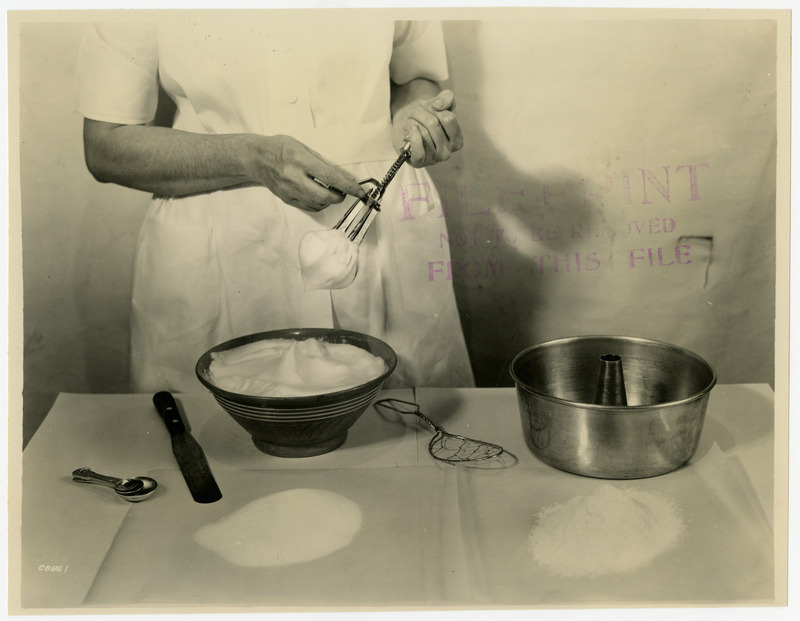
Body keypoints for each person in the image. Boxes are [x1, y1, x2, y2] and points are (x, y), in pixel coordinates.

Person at [74, 14, 474, 392]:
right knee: (220, 439)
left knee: (401, 435)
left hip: (377, 232)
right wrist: (251, 158)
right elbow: (106, 144)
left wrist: (414, 117)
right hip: (220, 239)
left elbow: (415, 77)